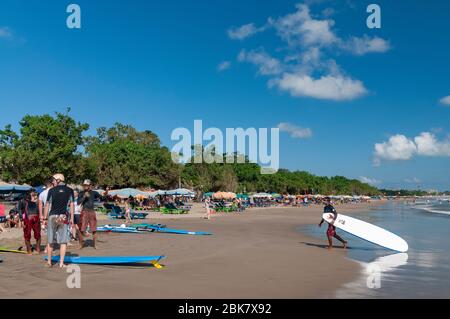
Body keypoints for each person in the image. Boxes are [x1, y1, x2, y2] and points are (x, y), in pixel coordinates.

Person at [43, 174, 74, 268]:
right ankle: (61, 263)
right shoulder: (70, 190)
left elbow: (47, 205)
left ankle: (49, 262)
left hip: (52, 216)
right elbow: (72, 205)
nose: (52, 182)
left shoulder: (51, 190)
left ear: (59, 180)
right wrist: (72, 218)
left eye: (54, 180)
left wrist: (44, 218)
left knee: (50, 241)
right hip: (63, 217)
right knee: (63, 241)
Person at [77, 180, 101, 249]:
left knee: (94, 229)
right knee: (82, 229)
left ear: (90, 185)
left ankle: (95, 245)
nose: (85, 186)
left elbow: (102, 198)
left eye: (87, 185)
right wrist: (84, 196)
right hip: (84, 211)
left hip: (92, 212)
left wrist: (106, 193)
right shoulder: (81, 193)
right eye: (84, 185)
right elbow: (78, 202)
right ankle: (81, 244)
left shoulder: (94, 193)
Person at [18, 190, 42, 254]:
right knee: (38, 234)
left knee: (27, 235)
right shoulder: (34, 202)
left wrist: (21, 220)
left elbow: (20, 211)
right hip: (36, 217)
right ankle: (38, 249)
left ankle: (29, 251)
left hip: (28, 218)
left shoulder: (21, 201)